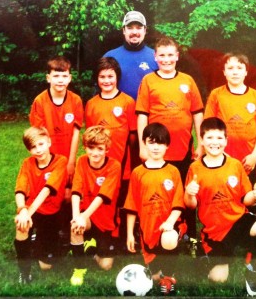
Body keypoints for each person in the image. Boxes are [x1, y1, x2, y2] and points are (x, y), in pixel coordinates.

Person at [184, 117, 256, 297]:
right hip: (215, 231)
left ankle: (252, 270)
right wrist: (189, 193)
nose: (214, 143)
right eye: (209, 138)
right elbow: (190, 205)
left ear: (226, 140)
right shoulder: (195, 168)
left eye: (219, 138)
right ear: (201, 140)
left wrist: (255, 196)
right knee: (218, 278)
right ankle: (213, 253)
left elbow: (246, 199)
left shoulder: (234, 165)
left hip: (238, 220)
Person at [136, 36, 204, 251]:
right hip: (157, 152)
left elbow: (197, 113)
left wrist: (201, 142)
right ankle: (157, 232)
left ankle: (190, 235)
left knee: (186, 192)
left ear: (177, 56)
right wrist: (142, 146)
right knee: (160, 193)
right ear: (155, 57)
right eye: (162, 55)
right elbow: (142, 116)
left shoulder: (187, 81)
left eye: (170, 55)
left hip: (183, 149)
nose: (166, 59)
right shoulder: (148, 81)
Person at [204, 52, 256, 215]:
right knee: (224, 197)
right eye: (230, 68)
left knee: (251, 196)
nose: (235, 72)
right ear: (224, 72)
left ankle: (253, 224)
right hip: (223, 157)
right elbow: (208, 126)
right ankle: (226, 225)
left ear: (246, 71)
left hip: (249, 160)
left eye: (239, 68)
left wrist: (255, 155)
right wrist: (219, 155)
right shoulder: (216, 95)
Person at [124, 123, 187, 295]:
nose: (156, 147)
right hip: (148, 230)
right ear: (144, 143)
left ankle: (169, 277)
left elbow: (178, 203)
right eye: (151, 142)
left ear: (167, 145)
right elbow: (131, 205)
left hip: (170, 226)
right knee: (152, 277)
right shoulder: (137, 173)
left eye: (160, 143)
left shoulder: (173, 171)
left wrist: (170, 222)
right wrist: (130, 233)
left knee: (168, 239)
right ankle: (160, 273)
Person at [29, 56, 84, 246]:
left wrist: (70, 161)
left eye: (64, 76)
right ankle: (40, 228)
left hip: (67, 157)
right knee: (45, 192)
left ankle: (65, 230)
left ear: (70, 78)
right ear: (48, 78)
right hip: (47, 159)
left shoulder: (75, 101)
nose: (60, 80)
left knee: (68, 194)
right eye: (56, 76)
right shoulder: (40, 101)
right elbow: (39, 136)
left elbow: (76, 133)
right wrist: (47, 161)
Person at [85, 56, 137, 251]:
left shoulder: (127, 102)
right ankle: (98, 235)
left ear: (117, 77)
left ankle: (122, 238)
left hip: (122, 165)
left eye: (110, 76)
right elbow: (91, 138)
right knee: (102, 199)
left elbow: (132, 137)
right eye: (102, 77)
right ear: (97, 79)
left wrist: (129, 161)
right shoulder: (91, 104)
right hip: (100, 166)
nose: (106, 81)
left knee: (122, 202)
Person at [14, 126, 67, 284]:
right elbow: (20, 189)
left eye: (41, 144)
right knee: (21, 226)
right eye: (33, 147)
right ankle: (25, 273)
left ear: (49, 142)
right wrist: (23, 211)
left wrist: (26, 213)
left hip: (52, 213)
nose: (38, 150)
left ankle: (49, 241)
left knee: (46, 266)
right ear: (29, 150)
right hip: (33, 210)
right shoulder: (27, 163)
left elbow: (47, 190)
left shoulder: (60, 161)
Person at [69, 125, 121, 286]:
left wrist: (83, 216)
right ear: (85, 147)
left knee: (106, 266)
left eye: (100, 148)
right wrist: (77, 217)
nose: (95, 153)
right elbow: (76, 191)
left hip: (106, 220)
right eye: (91, 148)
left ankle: (90, 248)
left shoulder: (114, 166)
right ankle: (79, 268)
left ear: (107, 149)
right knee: (75, 227)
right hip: (88, 216)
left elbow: (103, 196)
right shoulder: (82, 161)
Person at [103, 10, 158, 101]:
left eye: (139, 27)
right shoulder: (110, 57)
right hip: (117, 113)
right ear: (124, 30)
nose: (134, 32)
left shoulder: (157, 57)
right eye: (130, 28)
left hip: (148, 113)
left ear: (145, 30)